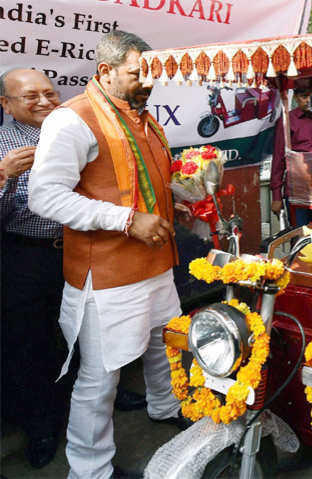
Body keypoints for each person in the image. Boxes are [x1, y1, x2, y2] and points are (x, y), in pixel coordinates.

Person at [28, 30, 190, 479]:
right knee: (100, 381)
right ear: (105, 71)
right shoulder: (73, 119)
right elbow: (44, 198)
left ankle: (164, 406)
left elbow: (143, 184)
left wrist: (181, 198)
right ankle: (91, 468)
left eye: (153, 74)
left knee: (165, 349)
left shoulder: (142, 117)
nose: (149, 83)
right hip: (107, 276)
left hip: (157, 264)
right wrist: (127, 220)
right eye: (139, 74)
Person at [0, 68, 66, 469]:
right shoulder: (3, 146)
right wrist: (4, 175)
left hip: (81, 252)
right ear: (5, 104)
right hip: (26, 258)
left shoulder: (73, 133)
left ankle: (96, 402)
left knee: (86, 334)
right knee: (30, 344)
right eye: (30, 96)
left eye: (49, 93)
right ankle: (40, 427)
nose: (44, 101)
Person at [271, 87, 312, 226]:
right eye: (304, 96)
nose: (309, 100)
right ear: (295, 98)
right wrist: (276, 196)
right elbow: (278, 160)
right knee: (300, 236)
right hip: (298, 192)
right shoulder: (287, 121)